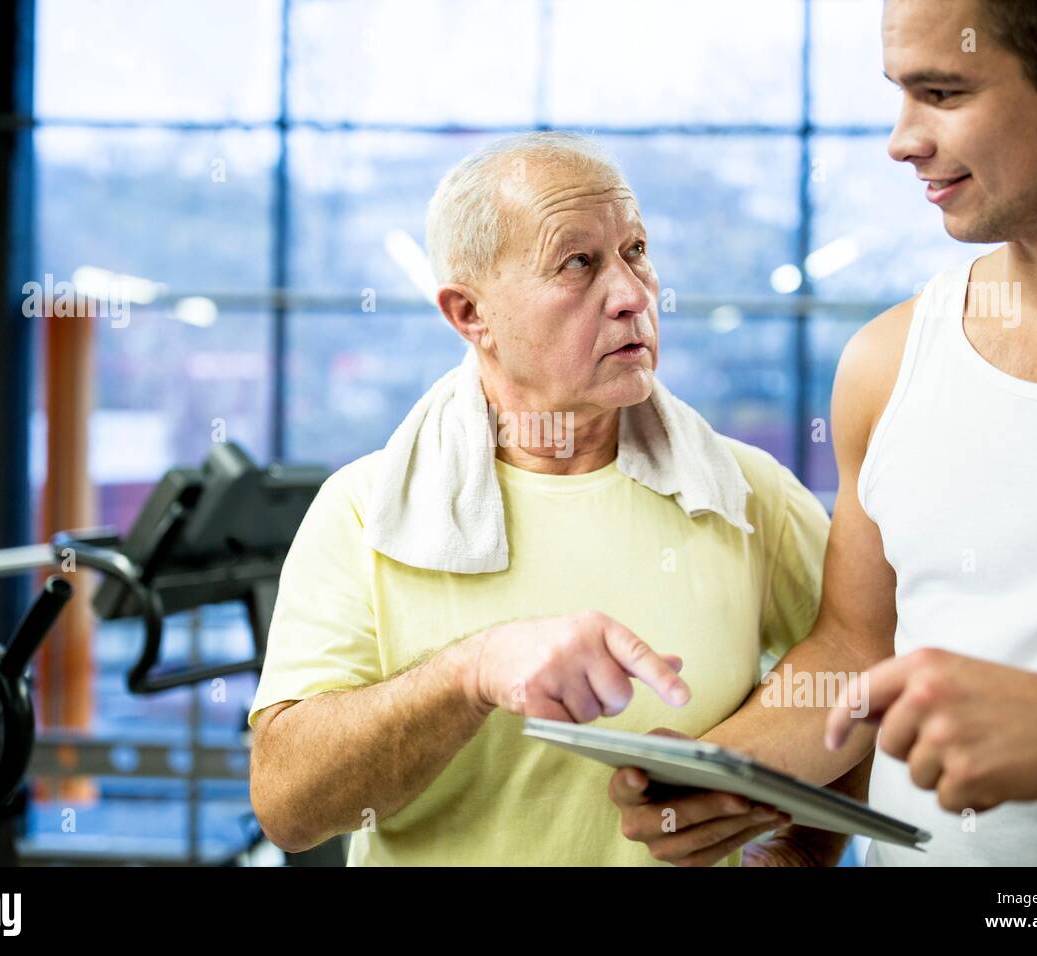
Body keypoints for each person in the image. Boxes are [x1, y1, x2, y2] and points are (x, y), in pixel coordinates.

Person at [611, 0, 1037, 865]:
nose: (902, 139)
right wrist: (729, 770)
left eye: (942, 92)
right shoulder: (888, 360)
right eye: (899, 95)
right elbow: (856, 647)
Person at [248, 132, 837, 866]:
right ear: (470, 314)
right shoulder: (362, 510)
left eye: (636, 251)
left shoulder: (752, 494)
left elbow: (862, 681)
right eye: (578, 263)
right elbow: (289, 809)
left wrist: (801, 855)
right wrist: (473, 673)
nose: (632, 295)